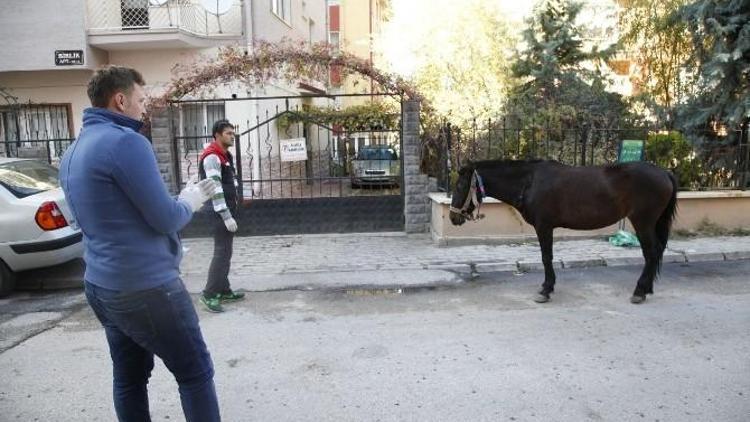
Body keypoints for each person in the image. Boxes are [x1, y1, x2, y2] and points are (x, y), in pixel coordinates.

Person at [59, 65, 222, 422]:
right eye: (140, 99)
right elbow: (166, 217)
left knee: (129, 378)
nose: (143, 107)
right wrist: (190, 200)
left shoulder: (73, 151)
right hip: (146, 288)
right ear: (120, 100)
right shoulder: (126, 142)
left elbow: (112, 217)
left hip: (101, 284)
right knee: (195, 372)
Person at [198, 119, 245, 313]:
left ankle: (223, 290)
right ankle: (209, 294)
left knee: (226, 252)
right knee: (221, 252)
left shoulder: (225, 155)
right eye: (228, 133)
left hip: (226, 208)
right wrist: (226, 215)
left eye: (233, 134)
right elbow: (215, 188)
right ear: (217, 135)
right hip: (218, 211)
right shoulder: (212, 157)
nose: (232, 136)